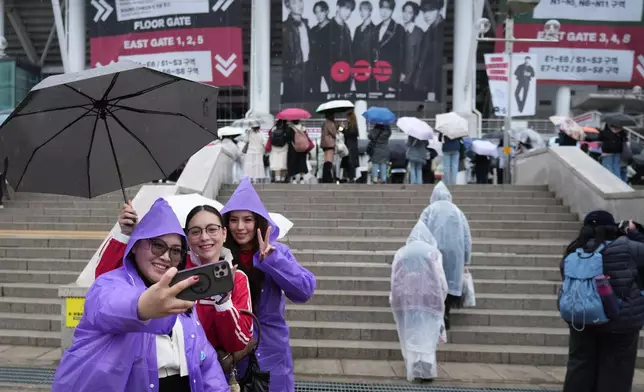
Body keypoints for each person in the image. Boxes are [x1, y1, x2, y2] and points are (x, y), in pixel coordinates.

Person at [52, 198, 230, 391]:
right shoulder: (110, 283)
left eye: (175, 251)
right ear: (135, 245)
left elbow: (205, 360)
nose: (166, 257)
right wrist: (142, 307)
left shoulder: (180, 293)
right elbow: (109, 306)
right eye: (157, 245)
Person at [94, 201, 255, 369]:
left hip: (216, 372)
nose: (205, 237)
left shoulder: (236, 278)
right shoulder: (172, 271)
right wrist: (127, 236)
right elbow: (106, 282)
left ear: (224, 233)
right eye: (195, 232)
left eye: (212, 229)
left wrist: (223, 303)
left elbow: (239, 342)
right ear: (187, 238)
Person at [220, 178, 316, 392]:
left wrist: (272, 262)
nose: (240, 227)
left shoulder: (277, 252)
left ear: (259, 222)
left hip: (271, 352)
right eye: (234, 220)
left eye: (247, 220)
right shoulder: (218, 255)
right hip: (232, 356)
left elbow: (304, 291)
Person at [561, 210, 644, 392]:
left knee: (580, 367)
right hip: (620, 320)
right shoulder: (627, 247)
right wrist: (636, 232)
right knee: (615, 372)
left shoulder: (574, 250)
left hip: (582, 317)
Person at [390, 220, 448, 381]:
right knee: (427, 334)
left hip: (406, 300)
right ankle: (427, 369)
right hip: (430, 300)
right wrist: (442, 296)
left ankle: (413, 367)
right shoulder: (433, 252)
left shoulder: (402, 252)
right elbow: (441, 279)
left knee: (410, 332)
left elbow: (395, 277)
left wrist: (394, 298)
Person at [420, 182, 472, 330]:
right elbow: (467, 237)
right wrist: (467, 259)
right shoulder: (457, 211)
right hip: (455, 252)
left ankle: (436, 313)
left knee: (435, 280)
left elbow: (420, 231)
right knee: (449, 282)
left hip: (433, 251)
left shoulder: (429, 210)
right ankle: (446, 310)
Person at [282, 0, 311, 102]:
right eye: (294, 2)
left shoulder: (306, 24)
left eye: (300, 1)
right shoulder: (285, 27)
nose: (299, 5)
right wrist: (289, 73)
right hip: (294, 72)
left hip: (307, 69)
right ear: (288, 6)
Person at [374, 0, 405, 93]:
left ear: (392, 11)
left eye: (387, 9)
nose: (384, 12)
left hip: (392, 73)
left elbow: (403, 53)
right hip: (376, 74)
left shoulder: (398, 28)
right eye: (382, 8)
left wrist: (401, 73)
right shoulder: (376, 28)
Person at [341, 111, 360, 182]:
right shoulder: (352, 125)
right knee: (349, 162)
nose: (346, 119)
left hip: (351, 146)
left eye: (347, 118)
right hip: (351, 146)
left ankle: (351, 177)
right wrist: (342, 128)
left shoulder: (353, 126)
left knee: (350, 162)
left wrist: (341, 128)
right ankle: (349, 177)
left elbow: (347, 134)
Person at [320, 112, 338, 183]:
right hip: (330, 144)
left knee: (326, 160)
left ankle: (326, 177)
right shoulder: (330, 123)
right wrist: (339, 127)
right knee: (329, 161)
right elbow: (334, 133)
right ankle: (327, 178)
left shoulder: (324, 123)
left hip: (325, 144)